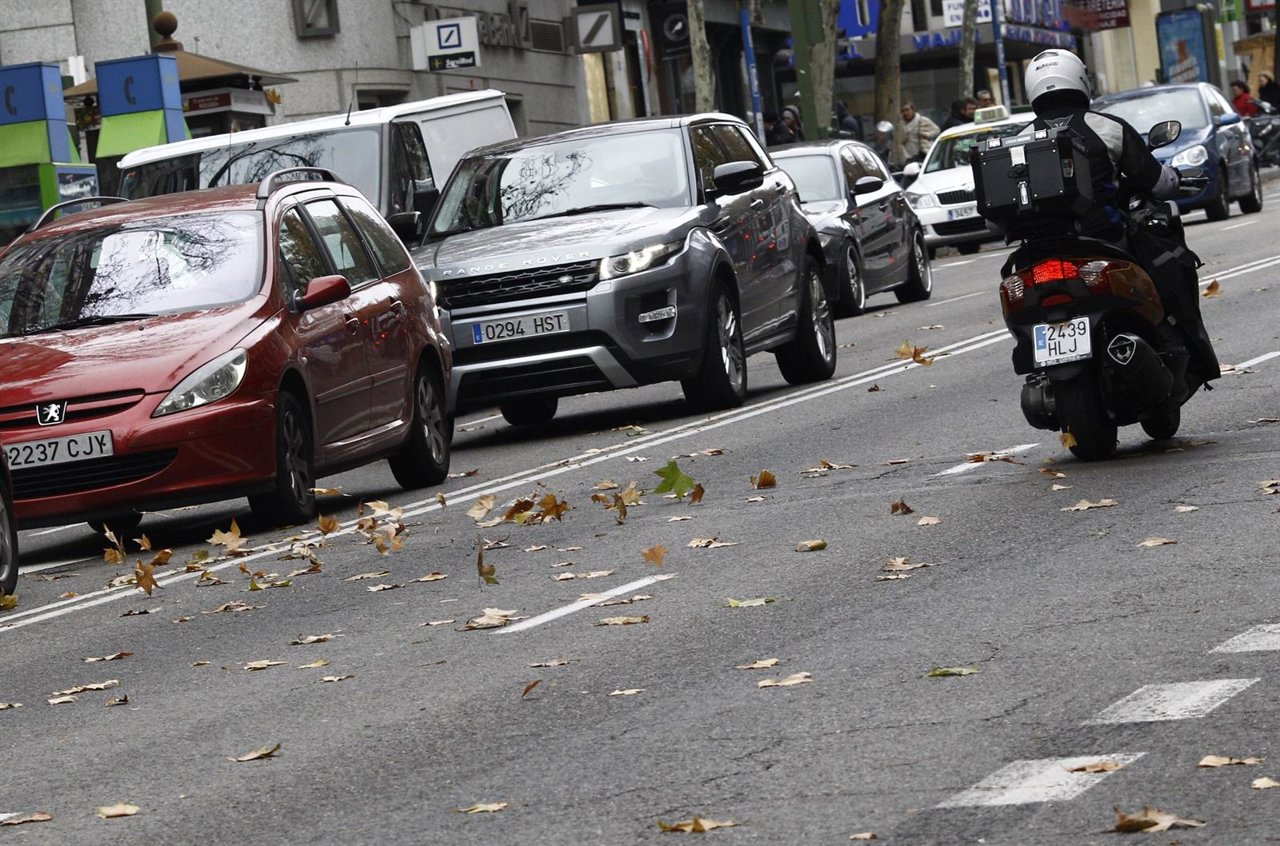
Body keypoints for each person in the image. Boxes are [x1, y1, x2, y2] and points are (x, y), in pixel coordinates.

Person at [1021, 48, 1218, 391]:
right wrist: (1174, 178)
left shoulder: (1018, 140)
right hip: (1107, 240)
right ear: (1080, 79)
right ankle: (1184, 350)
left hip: (1038, 252)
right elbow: (1156, 180)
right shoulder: (1106, 128)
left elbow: (995, 220)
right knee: (1172, 266)